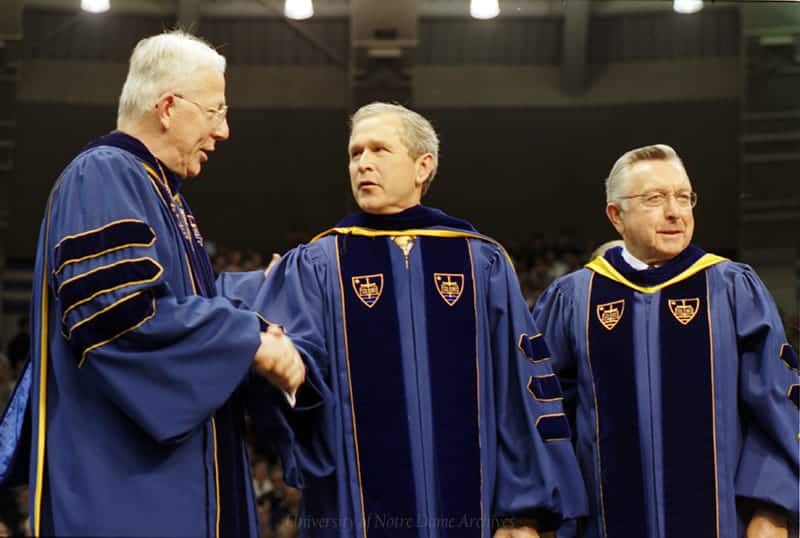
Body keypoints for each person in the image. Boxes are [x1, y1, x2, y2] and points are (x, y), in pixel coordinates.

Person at [218, 102, 587, 538]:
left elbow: (520, 391)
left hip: (475, 513)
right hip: (352, 512)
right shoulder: (320, 263)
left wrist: (522, 511)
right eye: (356, 153)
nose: (364, 164)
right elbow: (291, 371)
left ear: (422, 166)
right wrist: (291, 370)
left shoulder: (480, 261)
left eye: (379, 150)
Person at [0, 30, 312, 537]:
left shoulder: (162, 194)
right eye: (216, 112)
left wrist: (270, 290)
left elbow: (188, 304)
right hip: (125, 494)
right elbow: (122, 319)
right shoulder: (103, 174)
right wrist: (249, 339)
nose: (225, 131)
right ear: (168, 106)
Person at [532, 144, 799, 538]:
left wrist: (773, 509)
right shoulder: (574, 298)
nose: (675, 211)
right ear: (616, 216)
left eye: (683, 197)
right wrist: (539, 514)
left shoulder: (731, 289)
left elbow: (778, 405)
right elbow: (544, 416)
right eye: (655, 199)